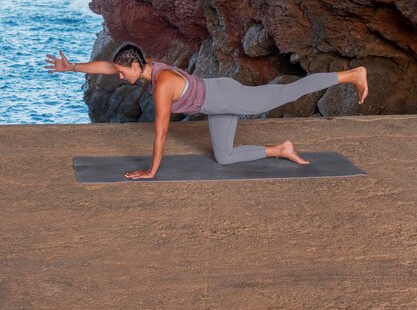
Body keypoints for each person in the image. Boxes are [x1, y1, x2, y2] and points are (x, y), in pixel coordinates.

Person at [45, 43, 368, 179]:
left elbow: (161, 131)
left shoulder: (162, 84)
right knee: (224, 156)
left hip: (225, 96)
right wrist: (72, 66)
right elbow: (106, 65)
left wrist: (152, 171)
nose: (119, 76)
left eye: (121, 71)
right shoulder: (147, 66)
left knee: (287, 91)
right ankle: (280, 149)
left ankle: (351, 75)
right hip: (215, 100)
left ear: (134, 65)